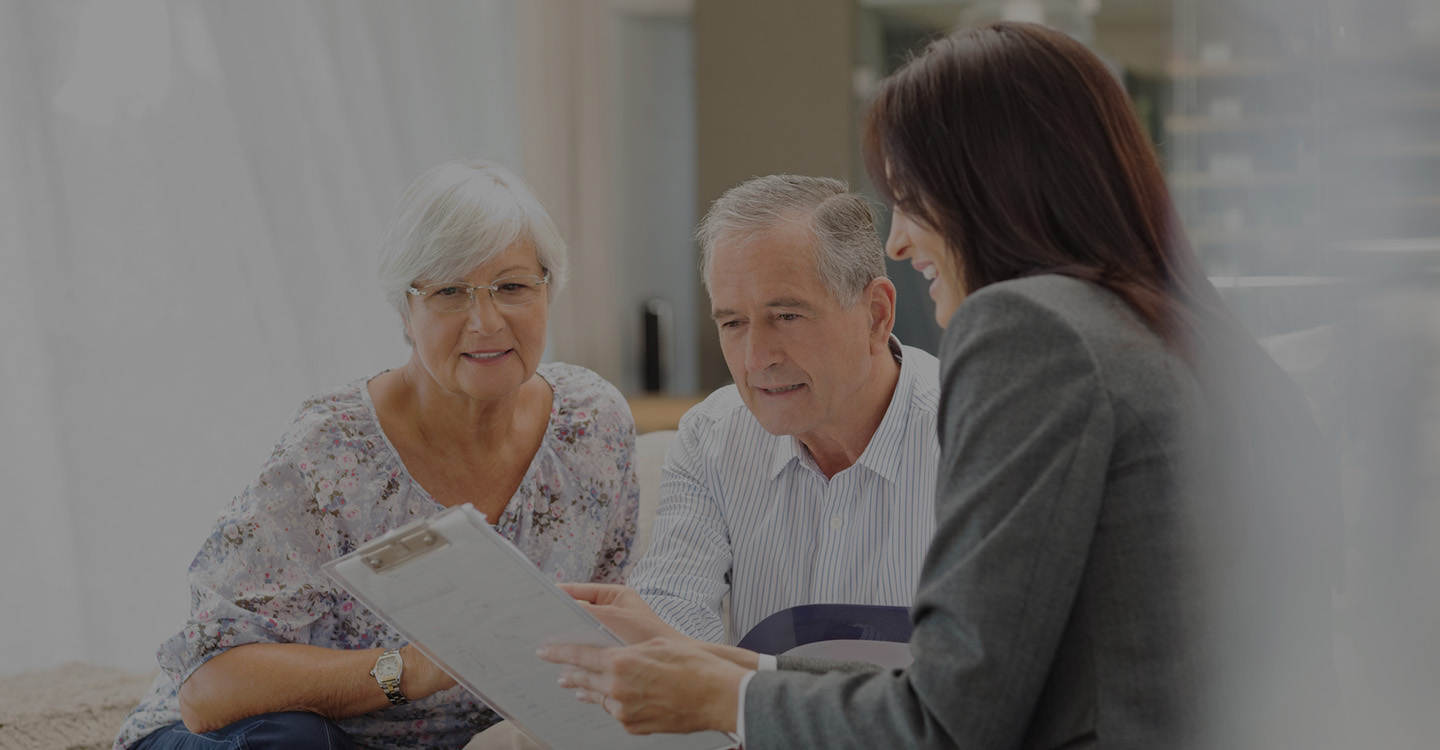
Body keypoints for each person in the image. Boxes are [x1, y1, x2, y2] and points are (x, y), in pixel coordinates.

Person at [539, 21, 1340, 749]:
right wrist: (723, 671)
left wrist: (728, 702)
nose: (897, 238)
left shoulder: (1033, 333)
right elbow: (986, 686)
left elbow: (949, 726)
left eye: (908, 198)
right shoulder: (1176, 334)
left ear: (990, 185)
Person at [115, 159, 640, 750]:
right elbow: (207, 690)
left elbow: (606, 636)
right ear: (405, 310)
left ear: (549, 289)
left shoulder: (593, 425)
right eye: (449, 292)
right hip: (257, 734)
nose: (486, 320)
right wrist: (411, 669)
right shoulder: (331, 448)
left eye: (512, 287)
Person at [628, 174, 941, 645]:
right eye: (733, 323)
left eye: (787, 316)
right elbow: (669, 620)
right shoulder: (710, 438)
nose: (756, 359)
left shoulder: (974, 435)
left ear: (875, 314)